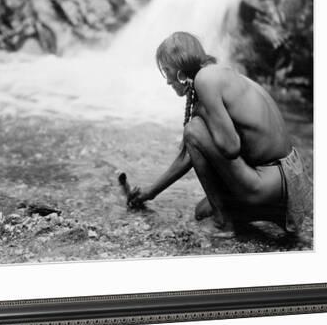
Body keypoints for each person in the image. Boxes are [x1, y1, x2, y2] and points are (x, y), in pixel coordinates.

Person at [128, 31, 311, 237]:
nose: (167, 80)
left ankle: (225, 224)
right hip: (289, 181)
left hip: (271, 180)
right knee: (202, 212)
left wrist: (202, 118)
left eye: (166, 70)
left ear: (180, 70)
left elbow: (230, 146)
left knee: (194, 129)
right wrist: (150, 193)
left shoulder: (205, 80)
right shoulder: (218, 74)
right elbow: (188, 154)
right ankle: (274, 213)